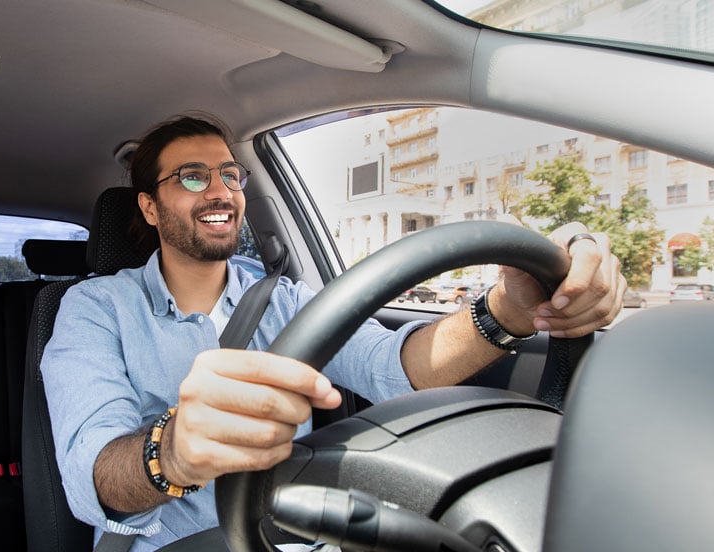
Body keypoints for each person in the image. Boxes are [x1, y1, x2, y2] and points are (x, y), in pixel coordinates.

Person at [42, 115, 624, 551]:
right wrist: (172, 451)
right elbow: (92, 475)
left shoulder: (283, 296)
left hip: (299, 534)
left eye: (229, 174)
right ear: (149, 206)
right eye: (191, 178)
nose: (220, 191)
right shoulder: (94, 309)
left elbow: (396, 367)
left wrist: (506, 312)